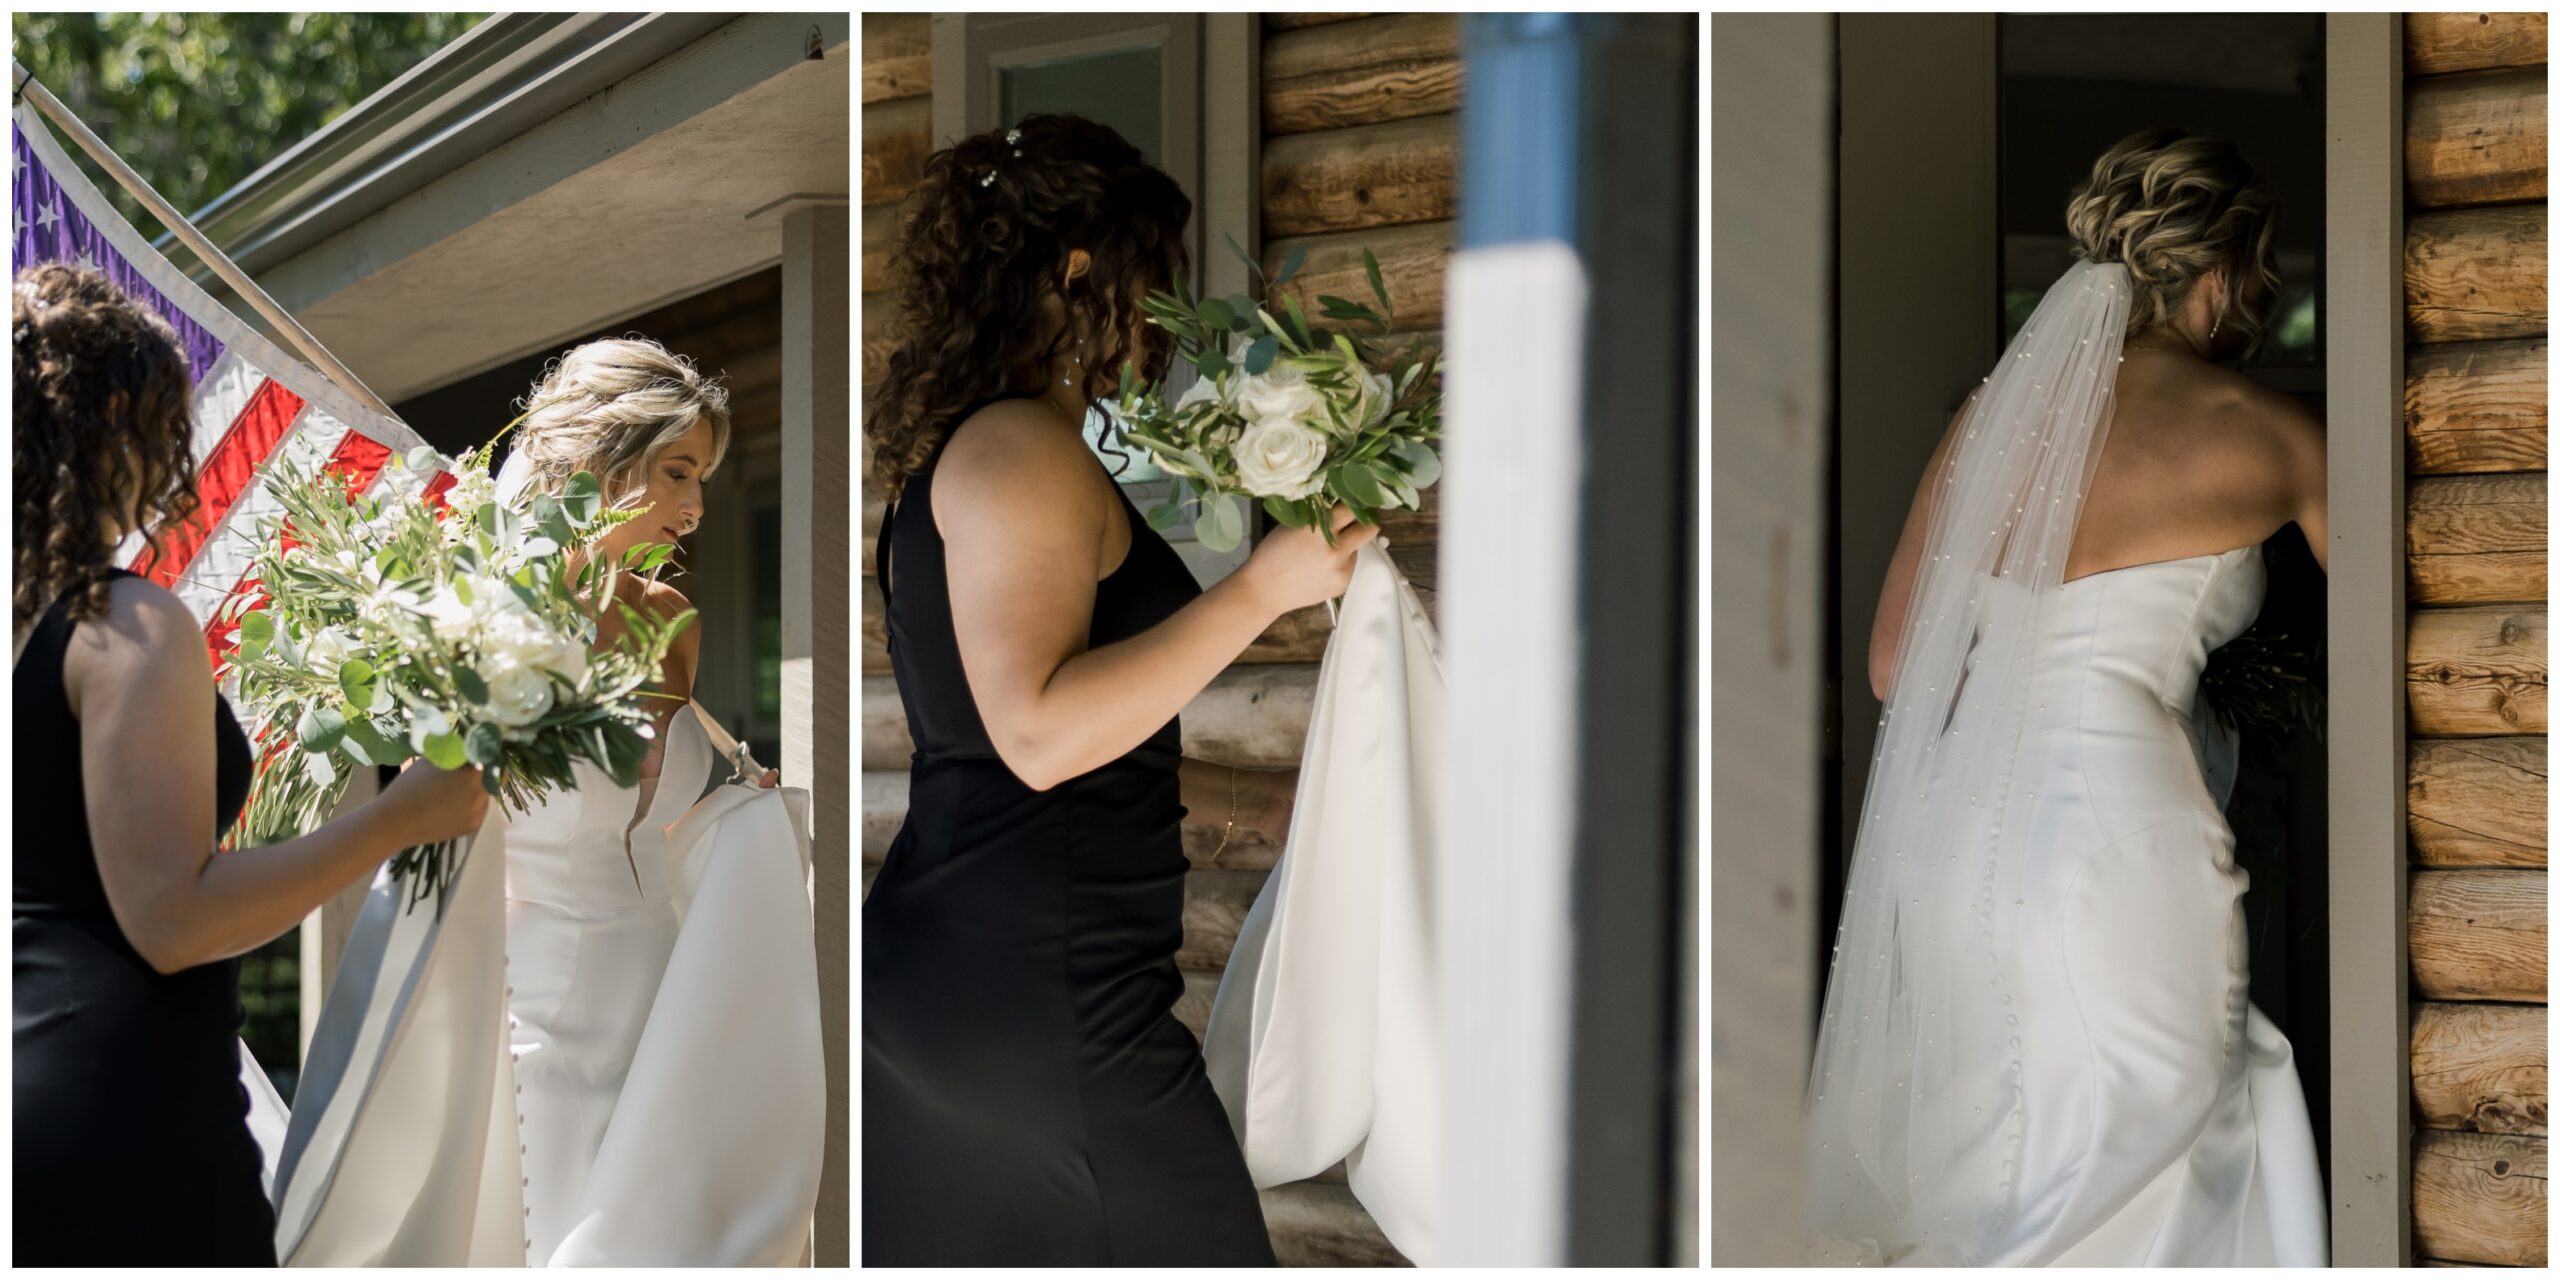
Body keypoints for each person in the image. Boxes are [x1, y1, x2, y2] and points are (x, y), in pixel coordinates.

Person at [1808, 128, 2329, 1265]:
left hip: (1962, 837)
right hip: (2118, 841)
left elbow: (1897, 668)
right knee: (2145, 1137)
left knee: (1983, 1153)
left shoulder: (1994, 424)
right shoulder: (2275, 439)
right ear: (2227, 272)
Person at [862, 113, 1372, 1265]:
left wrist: (1257, 806)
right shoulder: (1015, 453)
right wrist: (1261, 590)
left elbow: (1023, 749)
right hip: (1033, 990)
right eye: (1155, 276)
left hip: (986, 970)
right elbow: (1039, 735)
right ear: (1081, 267)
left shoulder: (987, 446)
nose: (1163, 315)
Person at [11, 262, 488, 1265]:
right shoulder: (120, 621)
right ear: (111, 430)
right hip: (119, 1111)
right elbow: (173, 916)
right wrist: (403, 814)